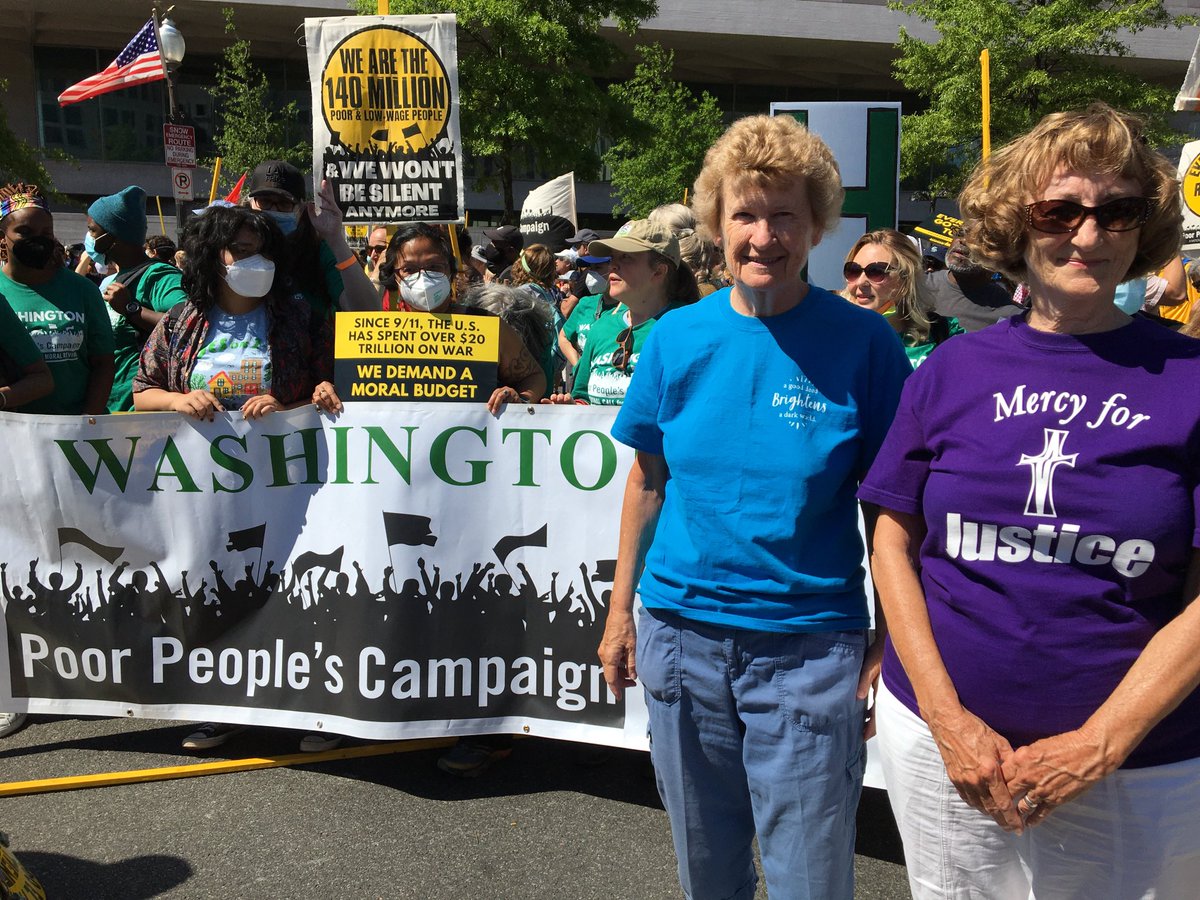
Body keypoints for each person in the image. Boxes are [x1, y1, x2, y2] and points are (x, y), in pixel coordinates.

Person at [859, 103, 1200, 899]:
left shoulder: (1191, 380)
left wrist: (1099, 744)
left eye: (1118, 211)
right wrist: (947, 719)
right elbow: (894, 542)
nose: (1089, 234)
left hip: (1141, 769)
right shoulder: (953, 370)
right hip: (946, 752)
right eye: (1060, 211)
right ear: (1018, 222)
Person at [598, 114, 911, 900]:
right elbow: (647, 480)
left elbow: (891, 509)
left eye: (785, 216)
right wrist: (620, 612)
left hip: (808, 649)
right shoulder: (676, 338)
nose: (764, 236)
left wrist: (891, 637)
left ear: (817, 227)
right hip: (680, 639)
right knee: (707, 872)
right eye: (745, 214)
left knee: (810, 878)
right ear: (716, 223)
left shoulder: (866, 345)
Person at [133, 204, 340, 421]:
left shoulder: (303, 320)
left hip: (281, 443)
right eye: (243, 250)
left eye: (265, 252)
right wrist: (176, 401)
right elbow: (143, 391)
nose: (257, 260)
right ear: (212, 256)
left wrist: (285, 413)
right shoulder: (180, 320)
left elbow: (334, 393)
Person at [376, 222, 546, 414]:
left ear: (450, 269)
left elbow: (533, 376)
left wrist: (520, 398)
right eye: (409, 269)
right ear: (395, 275)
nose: (423, 277)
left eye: (434, 266)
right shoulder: (378, 333)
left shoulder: (487, 327)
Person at [548, 220, 696, 405]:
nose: (613, 266)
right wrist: (570, 407)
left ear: (659, 271)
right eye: (613, 258)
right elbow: (582, 396)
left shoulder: (689, 329)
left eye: (626, 257)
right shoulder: (601, 328)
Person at [0, 182, 114, 415]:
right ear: (3, 238)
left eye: (46, 233)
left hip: (74, 428)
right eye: (25, 232)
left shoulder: (82, 290)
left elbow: (103, 363)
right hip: (13, 430)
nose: (37, 239)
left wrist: (87, 422)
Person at [86, 186, 189, 412]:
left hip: (139, 411)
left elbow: (186, 325)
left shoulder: (160, 276)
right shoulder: (118, 277)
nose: (89, 238)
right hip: (111, 404)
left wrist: (131, 308)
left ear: (114, 235)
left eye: (93, 231)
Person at [244, 160, 381, 316]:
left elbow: (367, 312)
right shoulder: (233, 249)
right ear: (250, 204)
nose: (273, 210)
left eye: (284, 204)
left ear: (300, 209)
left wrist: (335, 239)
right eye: (264, 202)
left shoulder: (320, 252)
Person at [843, 229, 961, 368]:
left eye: (876, 271)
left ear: (906, 277)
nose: (860, 282)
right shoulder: (831, 333)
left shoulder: (943, 332)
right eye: (853, 271)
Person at [920, 230, 1022, 331]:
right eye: (960, 233)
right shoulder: (916, 286)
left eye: (979, 239)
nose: (963, 241)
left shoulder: (1014, 319)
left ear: (1001, 258)